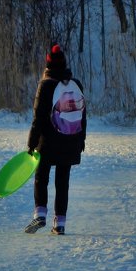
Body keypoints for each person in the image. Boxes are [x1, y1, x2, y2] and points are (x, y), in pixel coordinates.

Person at [24, 43, 86, 235]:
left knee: (41, 177)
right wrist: (81, 140)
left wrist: (31, 143)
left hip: (48, 142)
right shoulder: (75, 84)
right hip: (70, 140)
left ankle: (39, 214)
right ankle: (59, 225)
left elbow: (38, 117)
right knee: (62, 182)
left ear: (48, 64)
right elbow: (83, 115)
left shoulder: (46, 85)